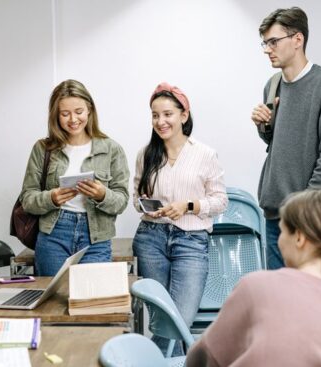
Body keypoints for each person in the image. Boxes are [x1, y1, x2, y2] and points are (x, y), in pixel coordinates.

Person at [186, 189, 321, 366]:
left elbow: (201, 357)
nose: (278, 240)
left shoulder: (258, 286)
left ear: (299, 238)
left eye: (281, 231)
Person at [132, 82, 228, 356]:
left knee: (179, 320)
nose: (160, 121)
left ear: (184, 115)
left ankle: (149, 361)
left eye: (167, 114)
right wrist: (147, 207)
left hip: (191, 242)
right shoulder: (146, 154)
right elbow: (135, 199)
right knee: (163, 319)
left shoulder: (205, 154)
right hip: (151, 239)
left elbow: (220, 201)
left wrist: (188, 205)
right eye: (154, 115)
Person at [251, 7, 321, 270]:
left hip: (315, 216)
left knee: (319, 300)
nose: (267, 49)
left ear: (297, 39)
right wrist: (264, 125)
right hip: (275, 215)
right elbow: (278, 144)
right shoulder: (272, 84)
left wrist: (304, 208)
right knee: (282, 300)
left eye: (273, 41)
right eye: (265, 43)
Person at [20, 79, 129, 276]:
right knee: (52, 303)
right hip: (53, 235)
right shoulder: (43, 149)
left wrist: (102, 195)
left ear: (89, 110)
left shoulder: (111, 149)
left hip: (96, 237)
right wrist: (51, 198)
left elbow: (122, 201)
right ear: (56, 116)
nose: (73, 119)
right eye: (65, 114)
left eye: (79, 111)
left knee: (90, 301)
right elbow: (27, 199)